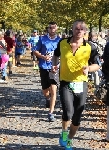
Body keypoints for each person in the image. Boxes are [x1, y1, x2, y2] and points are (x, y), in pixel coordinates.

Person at [52, 19, 100, 150]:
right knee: (68, 112)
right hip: (65, 82)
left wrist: (88, 69)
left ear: (85, 31)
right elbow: (55, 56)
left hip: (81, 83)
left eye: (82, 29)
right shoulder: (62, 43)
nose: (79, 31)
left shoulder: (90, 46)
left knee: (78, 115)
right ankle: (64, 133)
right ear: (72, 29)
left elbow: (97, 65)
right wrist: (55, 65)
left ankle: (69, 140)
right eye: (76, 28)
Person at [33, 22, 60, 122]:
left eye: (54, 27)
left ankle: (51, 113)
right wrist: (43, 56)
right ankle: (48, 98)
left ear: (56, 28)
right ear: (48, 29)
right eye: (50, 28)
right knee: (45, 89)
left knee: (54, 89)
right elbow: (35, 51)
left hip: (54, 68)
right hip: (44, 66)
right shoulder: (42, 39)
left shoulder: (60, 40)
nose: (52, 29)